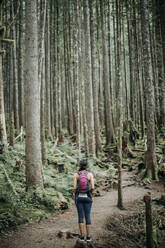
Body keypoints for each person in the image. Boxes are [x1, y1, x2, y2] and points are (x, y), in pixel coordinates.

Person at [73, 160, 94, 242]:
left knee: (80, 216)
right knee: (87, 216)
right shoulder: (90, 175)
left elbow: (74, 188)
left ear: (80, 165)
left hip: (79, 197)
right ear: (86, 166)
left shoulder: (76, 175)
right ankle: (88, 237)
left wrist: (74, 194)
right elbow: (92, 187)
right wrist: (90, 193)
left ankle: (82, 237)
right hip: (88, 197)